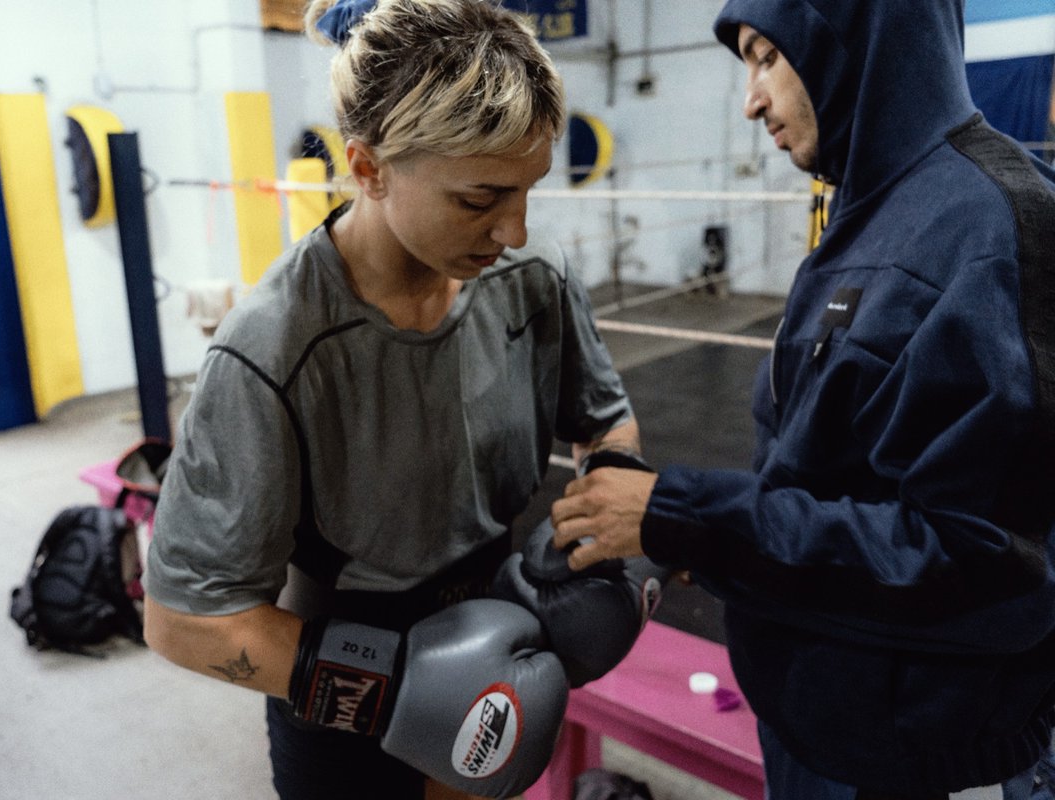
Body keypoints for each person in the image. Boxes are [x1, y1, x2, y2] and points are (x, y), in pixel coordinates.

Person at [550, 1, 1055, 799]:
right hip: (820, 723)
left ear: (858, 37)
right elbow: (828, 477)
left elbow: (984, 563)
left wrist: (692, 518)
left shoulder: (991, 228)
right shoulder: (872, 209)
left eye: (765, 57)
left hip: (923, 756)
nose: (750, 99)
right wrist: (719, 547)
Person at [141, 0, 641, 798]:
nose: (513, 229)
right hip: (341, 657)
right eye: (479, 199)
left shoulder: (528, 277)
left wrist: (606, 525)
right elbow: (180, 619)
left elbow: (605, 420)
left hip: (504, 620)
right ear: (369, 167)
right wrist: (393, 687)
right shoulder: (272, 350)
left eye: (528, 191)